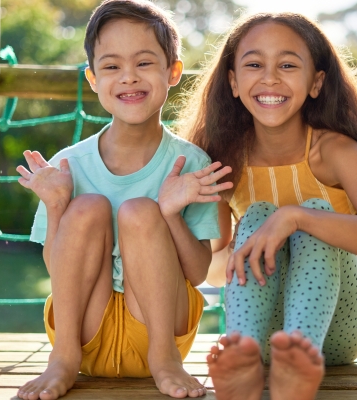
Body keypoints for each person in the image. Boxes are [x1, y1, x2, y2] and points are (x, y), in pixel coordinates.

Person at [180, 12, 357, 400]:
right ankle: (245, 358)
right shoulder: (223, 162)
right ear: (234, 82)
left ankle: (298, 360)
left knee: (312, 212)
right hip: (264, 331)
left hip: (340, 331)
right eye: (254, 64)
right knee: (255, 217)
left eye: (287, 65)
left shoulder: (336, 152)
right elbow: (214, 269)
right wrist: (246, 243)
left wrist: (296, 217)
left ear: (316, 82)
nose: (270, 78)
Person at [14, 1, 232, 399]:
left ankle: (166, 360)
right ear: (93, 78)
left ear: (173, 72)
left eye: (144, 63)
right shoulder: (67, 166)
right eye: (112, 67)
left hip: (158, 327)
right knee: (87, 207)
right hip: (82, 332)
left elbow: (199, 272)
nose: (128, 78)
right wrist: (58, 205)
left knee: (141, 212)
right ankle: (60, 360)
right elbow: (55, 268)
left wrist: (170, 215)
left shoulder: (190, 165)